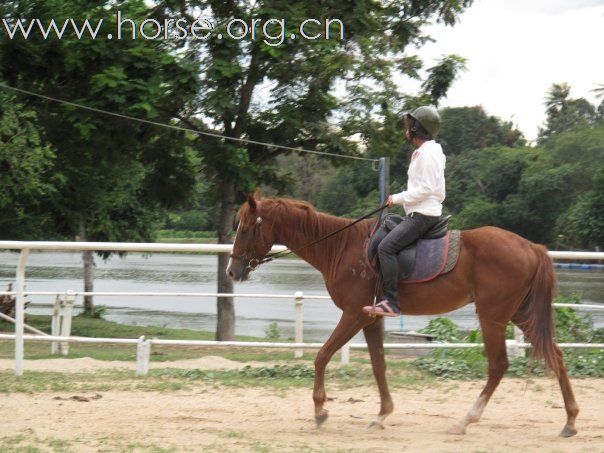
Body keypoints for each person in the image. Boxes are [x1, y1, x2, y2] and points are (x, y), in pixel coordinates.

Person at [362, 106, 446, 317]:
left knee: (386, 248)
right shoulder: (426, 152)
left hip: (422, 216)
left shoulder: (427, 155)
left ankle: (391, 302)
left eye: (410, 125)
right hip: (418, 213)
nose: (407, 129)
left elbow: (426, 189)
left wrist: (398, 198)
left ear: (418, 128)